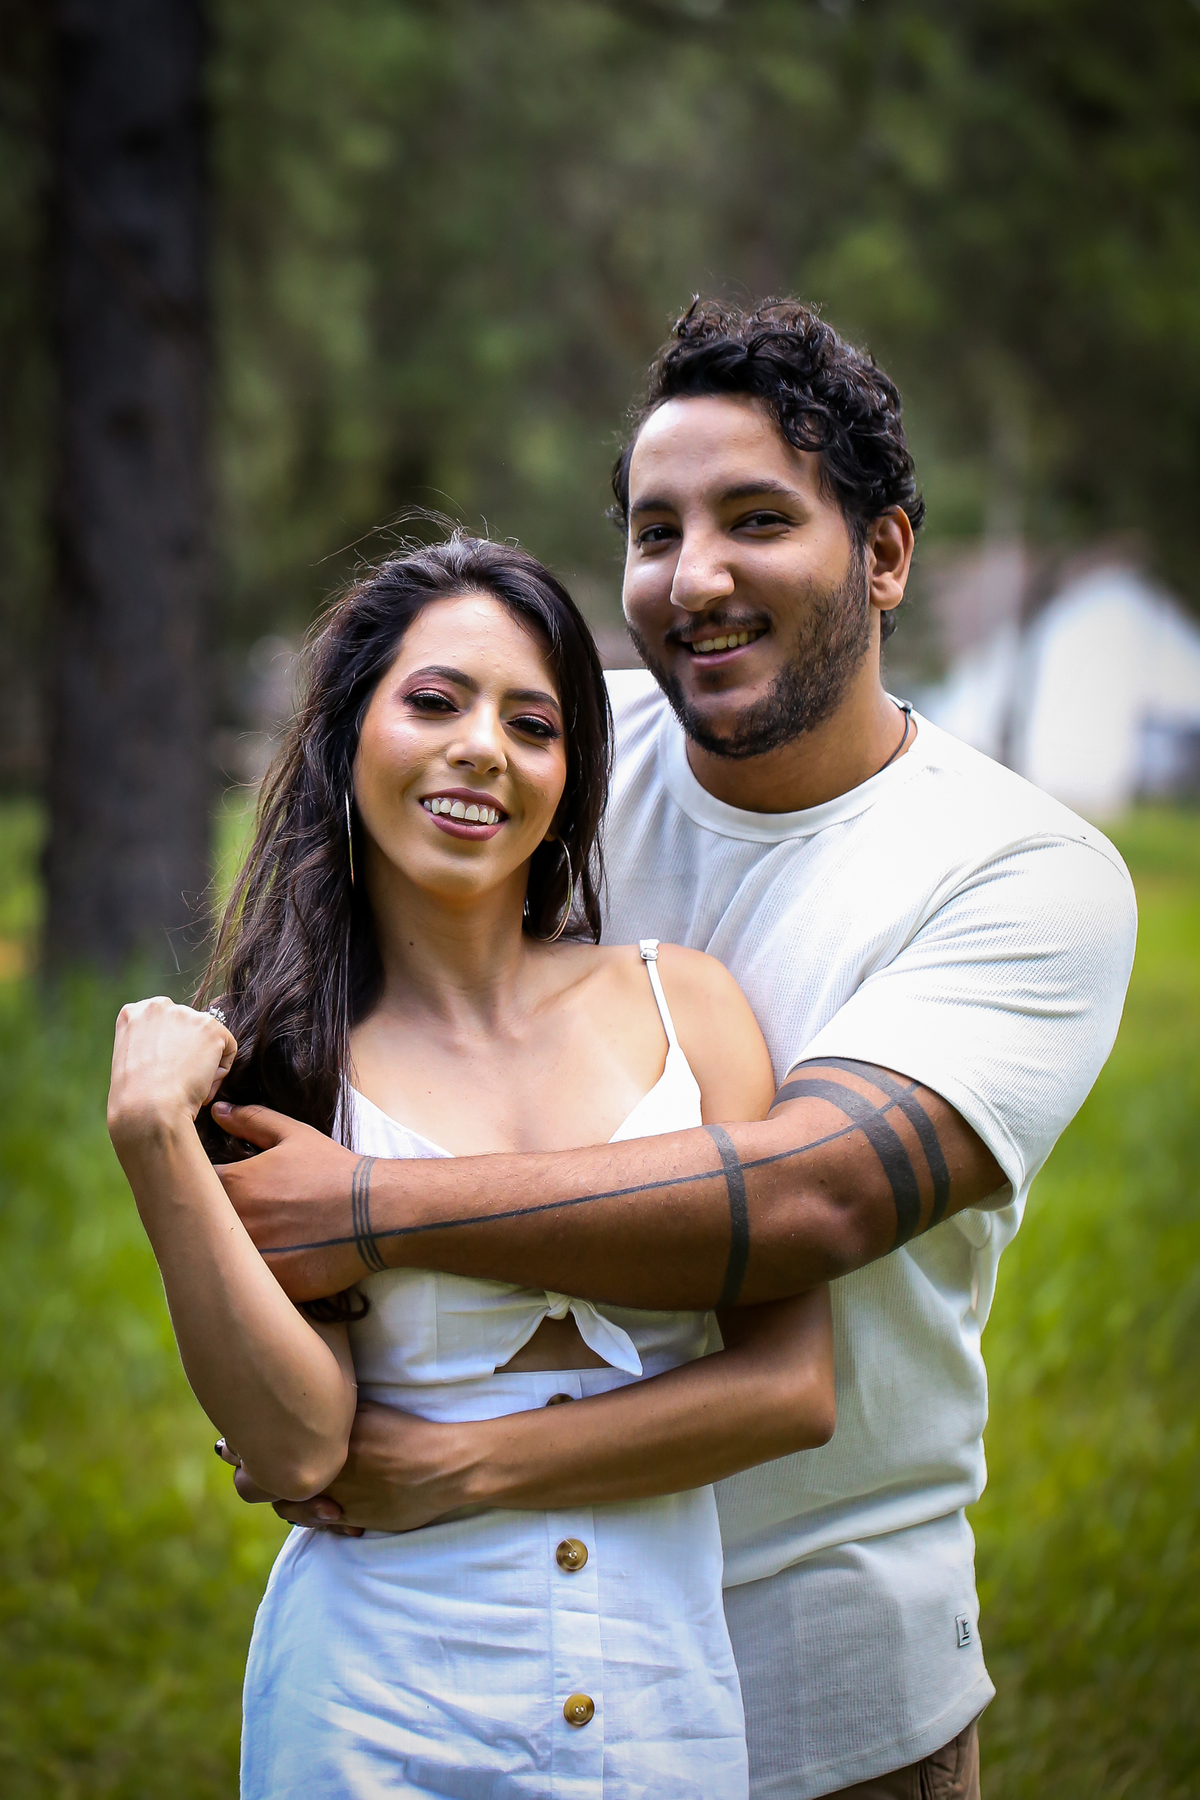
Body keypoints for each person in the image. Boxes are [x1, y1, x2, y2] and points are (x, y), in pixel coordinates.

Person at [214, 301, 1138, 1800]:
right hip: (462, 1647)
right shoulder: (549, 757)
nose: (694, 577)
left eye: (758, 519)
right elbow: (341, 1012)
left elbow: (807, 1205)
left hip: (828, 1665)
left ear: (887, 555)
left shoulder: (1023, 874)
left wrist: (373, 1222)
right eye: (656, 531)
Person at [107, 534, 838, 1799]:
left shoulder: (689, 1011)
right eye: (435, 702)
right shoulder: (279, 1063)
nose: (483, 749)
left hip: (661, 1714)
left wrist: (462, 1464)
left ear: (572, 773)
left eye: (533, 722)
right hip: (374, 1714)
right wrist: (155, 1143)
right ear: (348, 739)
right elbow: (294, 1453)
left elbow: (790, 1390)